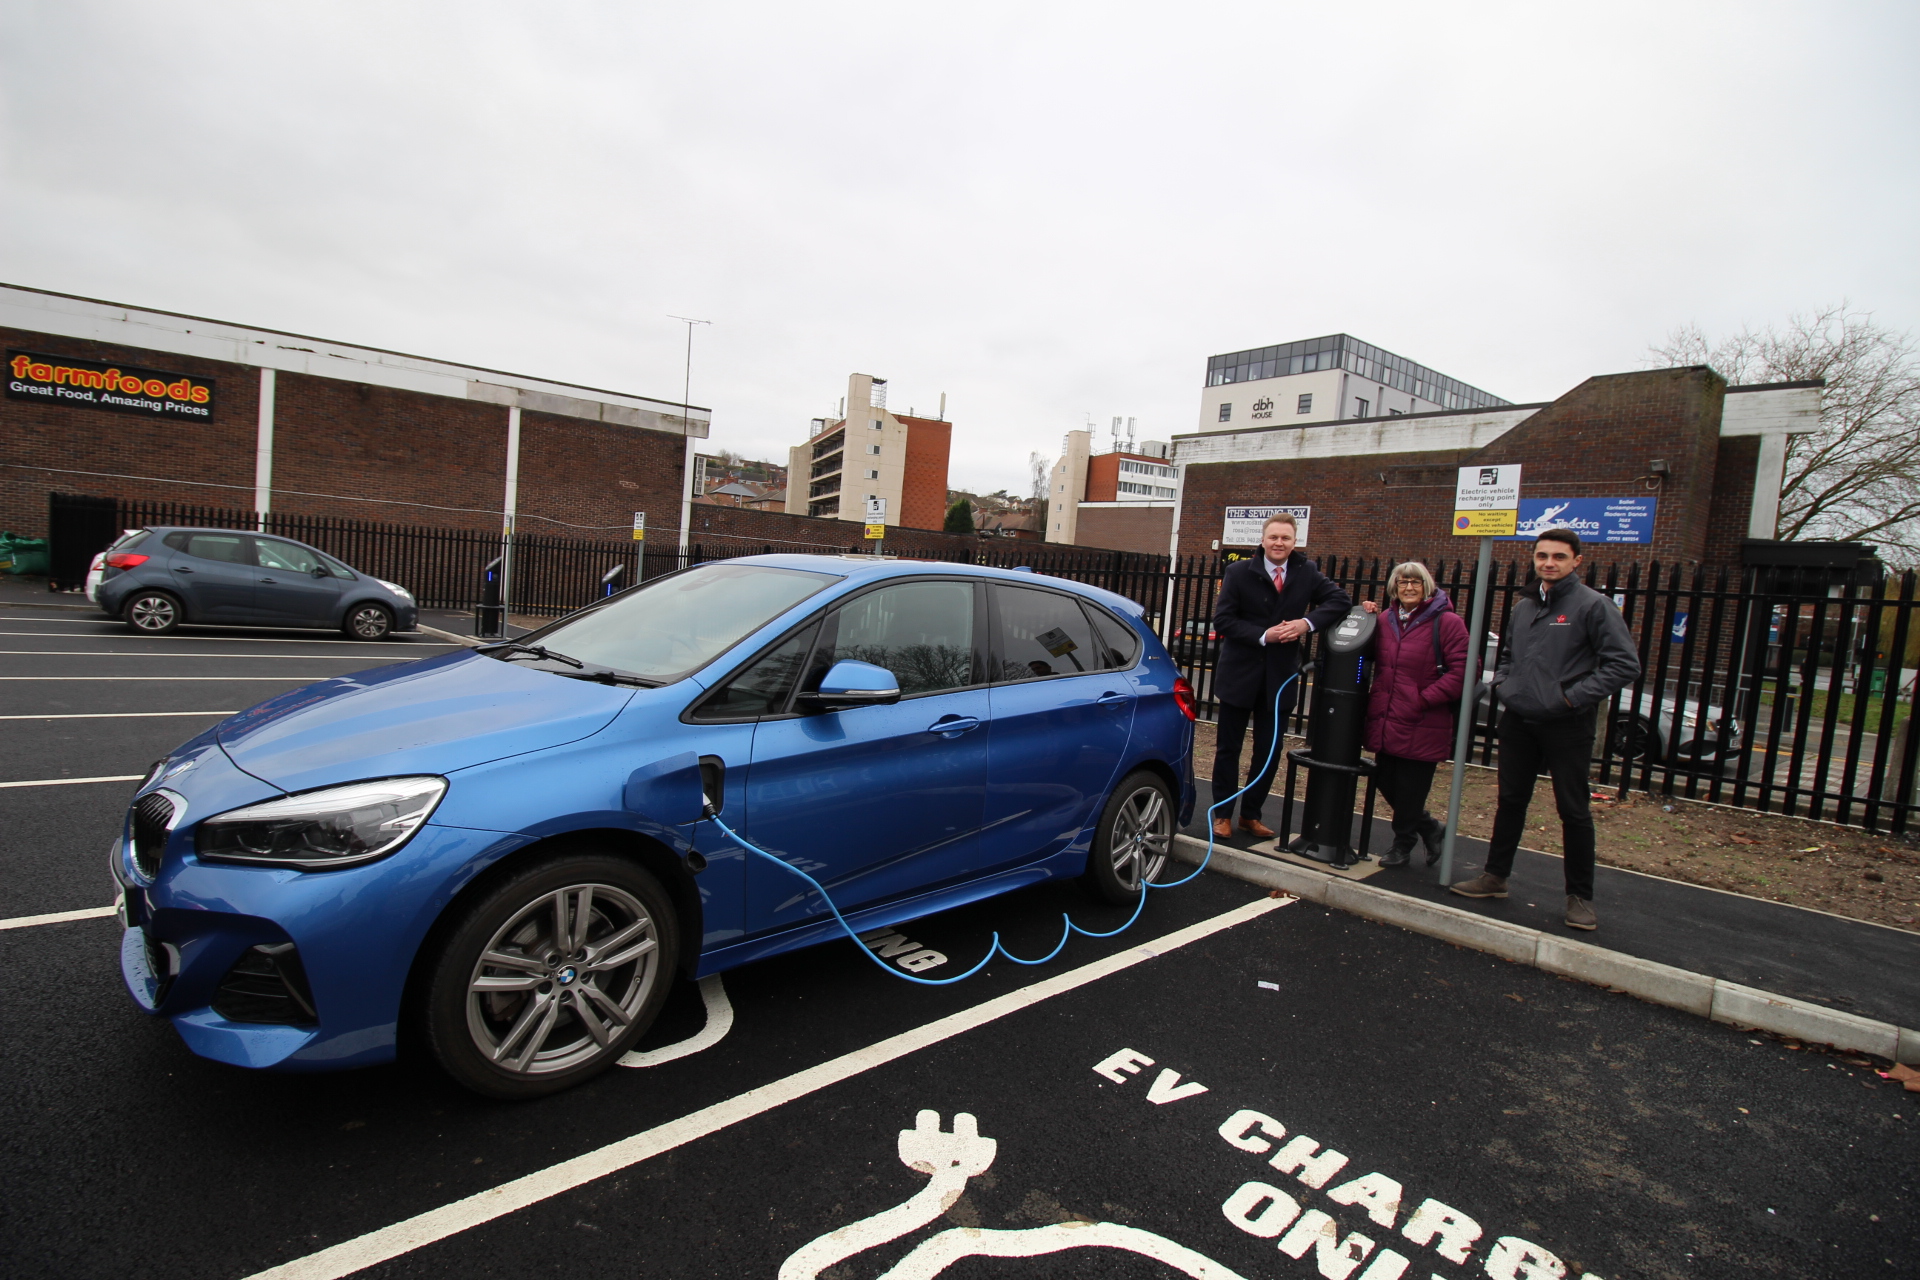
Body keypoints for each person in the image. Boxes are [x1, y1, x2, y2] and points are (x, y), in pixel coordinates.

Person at [1450, 528, 1640, 931]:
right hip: (1519, 719)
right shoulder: (1524, 606)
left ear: (1576, 562)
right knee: (1510, 801)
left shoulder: (1594, 606)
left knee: (1573, 810)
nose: (1548, 563)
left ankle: (1580, 898)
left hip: (1568, 723)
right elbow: (1507, 654)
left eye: (1557, 556)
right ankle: (1495, 876)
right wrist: (1505, 682)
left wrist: (1570, 698)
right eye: (1541, 556)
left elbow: (1624, 665)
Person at [1210, 514, 1351, 840]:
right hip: (1239, 675)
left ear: (1294, 542)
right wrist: (1264, 635)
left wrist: (1306, 624)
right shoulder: (1238, 572)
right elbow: (1224, 621)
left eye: (1285, 538)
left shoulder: (1307, 572)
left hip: (1280, 678)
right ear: (1263, 540)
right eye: (1273, 537)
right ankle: (1222, 814)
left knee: (1268, 751)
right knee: (1228, 749)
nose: (1278, 543)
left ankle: (1251, 814)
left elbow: (1340, 600)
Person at [1358, 562, 1469, 867]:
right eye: (1403, 582)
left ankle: (1402, 844)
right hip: (1388, 719)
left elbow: (1463, 671)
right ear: (1395, 587)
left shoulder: (1447, 623)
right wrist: (1362, 616)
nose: (1409, 588)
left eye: (1416, 583)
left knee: (1411, 789)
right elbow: (1363, 652)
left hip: (1423, 721)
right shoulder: (1385, 619)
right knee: (1385, 780)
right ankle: (1429, 827)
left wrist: (1423, 700)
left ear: (1427, 586)